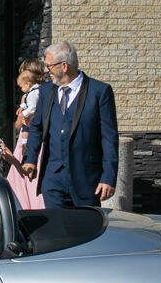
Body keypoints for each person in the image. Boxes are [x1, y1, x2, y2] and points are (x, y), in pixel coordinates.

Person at [21, 41, 119, 209]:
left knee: (86, 226)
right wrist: (31, 159)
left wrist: (108, 177)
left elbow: (109, 138)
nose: (46, 70)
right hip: (52, 180)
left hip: (86, 180)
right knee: (56, 225)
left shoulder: (99, 92)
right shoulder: (46, 91)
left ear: (64, 66)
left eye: (49, 66)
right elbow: (36, 127)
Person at [5, 58, 45, 210]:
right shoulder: (29, 95)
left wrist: (25, 117)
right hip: (27, 138)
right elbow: (18, 125)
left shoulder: (39, 94)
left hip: (35, 139)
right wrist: (22, 116)